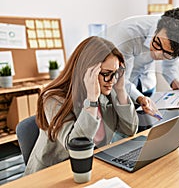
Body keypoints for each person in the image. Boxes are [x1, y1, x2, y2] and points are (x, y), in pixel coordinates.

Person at [24, 36, 139, 175]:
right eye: (106, 74)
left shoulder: (108, 89)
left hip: (91, 168)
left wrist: (121, 90)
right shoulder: (53, 99)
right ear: (86, 71)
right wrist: (91, 100)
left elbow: (130, 129)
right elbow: (75, 146)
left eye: (116, 73)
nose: (112, 80)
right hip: (53, 173)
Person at [106, 6, 179, 117]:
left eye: (167, 54)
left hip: (146, 82)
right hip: (118, 82)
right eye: (157, 43)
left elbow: (170, 66)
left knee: (149, 125)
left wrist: (174, 80)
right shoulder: (128, 34)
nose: (157, 55)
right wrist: (139, 97)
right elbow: (120, 81)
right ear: (157, 29)